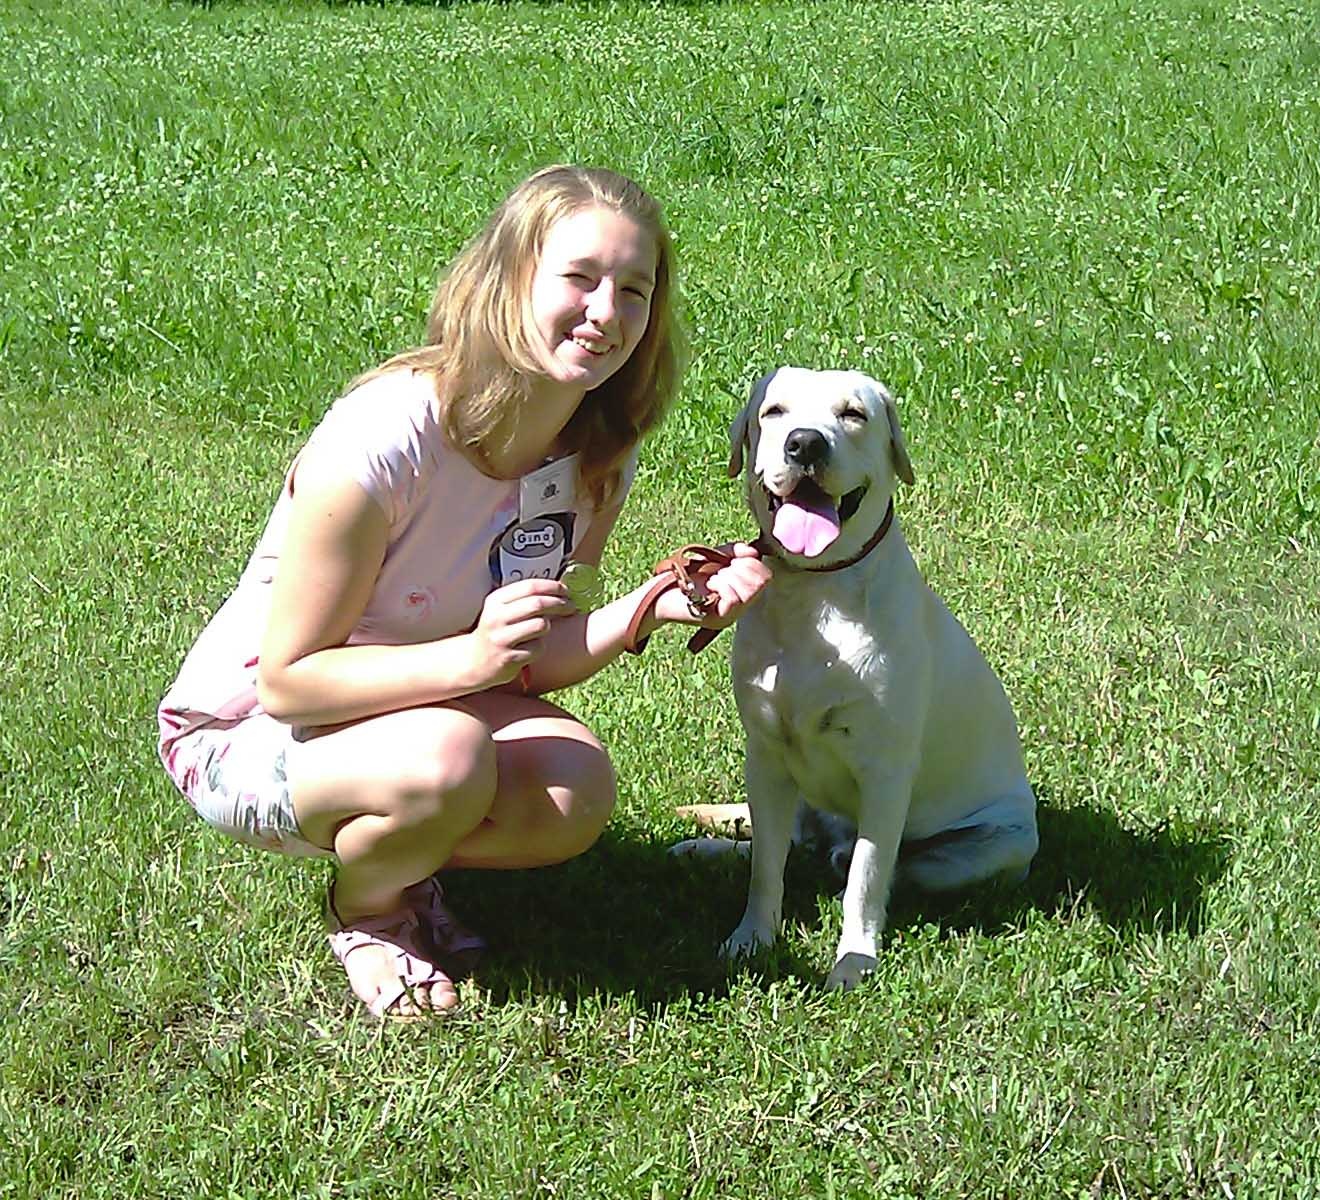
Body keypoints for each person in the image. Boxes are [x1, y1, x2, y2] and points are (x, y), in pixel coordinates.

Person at [157, 165, 770, 1020]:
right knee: (449, 759)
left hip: (421, 710)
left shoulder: (597, 452)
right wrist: (470, 659)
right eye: (580, 277)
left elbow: (527, 662)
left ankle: (409, 842)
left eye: (635, 290)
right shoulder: (384, 440)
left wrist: (651, 606)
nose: (607, 312)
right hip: (245, 730)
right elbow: (289, 682)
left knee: (573, 788)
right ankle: (370, 910)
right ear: (510, 276)